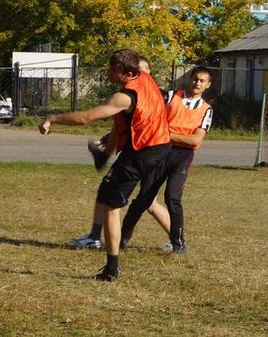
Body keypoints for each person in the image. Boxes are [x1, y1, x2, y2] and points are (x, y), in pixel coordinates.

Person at [39, 49, 170, 281]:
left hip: (141, 154)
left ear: (128, 73)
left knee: (111, 206)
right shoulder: (146, 79)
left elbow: (86, 118)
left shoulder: (125, 97)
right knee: (142, 200)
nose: (108, 72)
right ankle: (177, 240)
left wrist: (52, 118)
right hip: (162, 149)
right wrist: (108, 151)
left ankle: (111, 268)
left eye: (113, 69)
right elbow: (122, 125)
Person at [70, 57, 171, 250]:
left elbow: (150, 126)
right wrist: (106, 147)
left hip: (149, 153)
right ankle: (94, 236)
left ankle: (176, 241)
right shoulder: (132, 91)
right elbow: (121, 127)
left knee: (146, 202)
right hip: (143, 152)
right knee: (107, 190)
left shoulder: (153, 94)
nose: (140, 73)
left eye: (143, 69)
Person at [120, 66, 213, 254]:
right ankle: (121, 239)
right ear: (190, 79)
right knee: (144, 198)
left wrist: (167, 133)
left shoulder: (206, 110)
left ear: (208, 85)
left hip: (182, 157)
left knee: (173, 197)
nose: (197, 83)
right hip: (160, 151)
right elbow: (150, 116)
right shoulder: (171, 96)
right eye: (195, 79)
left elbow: (195, 140)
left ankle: (178, 244)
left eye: (202, 81)